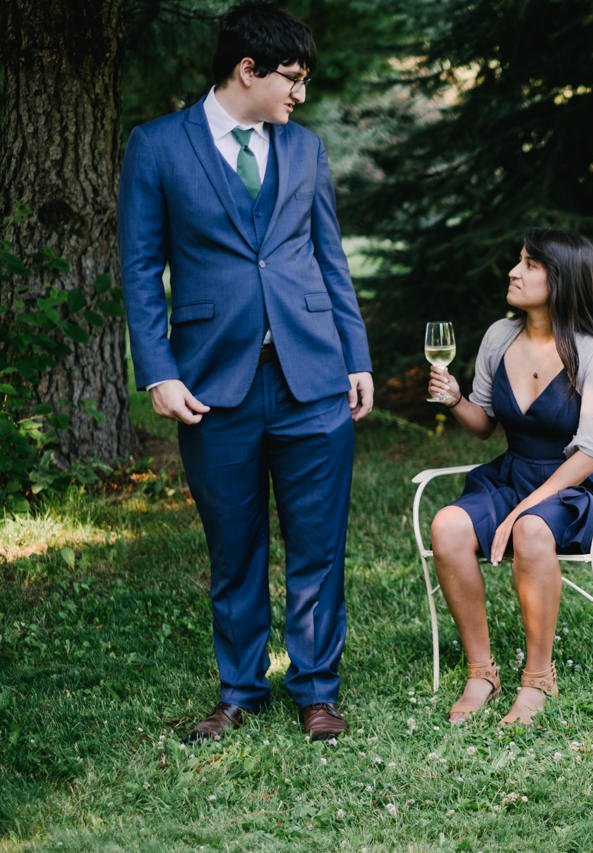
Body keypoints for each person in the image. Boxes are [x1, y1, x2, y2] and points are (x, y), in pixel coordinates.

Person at [119, 3, 372, 743]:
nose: (300, 95)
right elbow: (139, 268)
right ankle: (239, 688)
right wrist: (157, 370)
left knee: (318, 544)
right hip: (211, 383)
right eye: (291, 79)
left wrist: (355, 356)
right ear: (247, 71)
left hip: (312, 379)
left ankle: (317, 689)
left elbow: (331, 259)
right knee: (234, 547)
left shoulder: (305, 149)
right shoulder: (158, 147)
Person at [427, 228, 593, 727]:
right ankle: (481, 672)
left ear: (562, 278)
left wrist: (517, 513)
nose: (514, 272)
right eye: (519, 261)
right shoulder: (499, 336)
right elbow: (485, 425)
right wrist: (454, 401)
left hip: (574, 485)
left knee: (533, 529)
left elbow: (589, 456)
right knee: (447, 526)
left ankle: (537, 678)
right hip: (512, 473)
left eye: (530, 265)